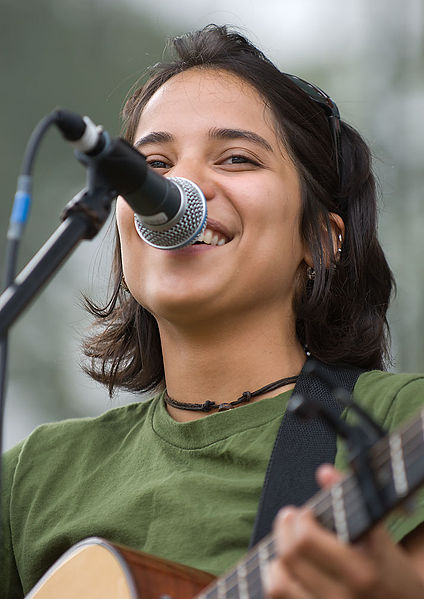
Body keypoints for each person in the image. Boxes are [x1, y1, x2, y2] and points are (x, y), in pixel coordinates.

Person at [2, 24, 424, 598]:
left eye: (235, 159)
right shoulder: (35, 476)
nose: (184, 186)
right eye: (152, 164)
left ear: (321, 241)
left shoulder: (399, 420)